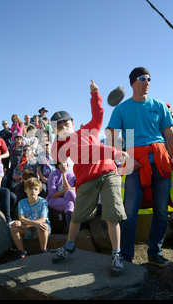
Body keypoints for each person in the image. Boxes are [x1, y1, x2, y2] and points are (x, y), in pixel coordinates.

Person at [51, 79, 128, 277]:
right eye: (58, 126)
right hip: (85, 180)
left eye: (65, 123)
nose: (63, 126)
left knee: (112, 216)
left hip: (108, 173)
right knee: (76, 217)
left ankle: (116, 255)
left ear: (73, 123)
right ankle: (69, 247)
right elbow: (56, 156)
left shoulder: (89, 128)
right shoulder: (60, 144)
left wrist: (95, 94)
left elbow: (99, 113)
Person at [107, 67, 173, 265]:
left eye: (149, 79)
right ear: (133, 82)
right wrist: (125, 159)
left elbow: (170, 134)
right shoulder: (121, 109)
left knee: (161, 211)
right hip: (133, 163)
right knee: (129, 211)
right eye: (142, 78)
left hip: (160, 161)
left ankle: (154, 253)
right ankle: (125, 256)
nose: (147, 82)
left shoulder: (159, 105)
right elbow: (112, 137)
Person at [10, 178, 51, 259]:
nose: (33, 191)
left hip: (39, 228)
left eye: (36, 189)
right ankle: (21, 252)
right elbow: (22, 218)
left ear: (39, 191)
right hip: (27, 229)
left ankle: (43, 250)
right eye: (30, 189)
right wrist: (28, 225)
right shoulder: (22, 202)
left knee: (43, 226)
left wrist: (26, 226)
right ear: (25, 190)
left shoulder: (43, 202)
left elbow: (42, 220)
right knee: (14, 226)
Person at [47, 161, 76, 227]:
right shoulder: (52, 175)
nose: (63, 164)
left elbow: (68, 189)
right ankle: (70, 227)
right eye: (60, 163)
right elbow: (53, 195)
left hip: (67, 197)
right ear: (57, 165)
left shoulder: (70, 174)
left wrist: (64, 175)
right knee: (70, 204)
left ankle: (78, 220)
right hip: (54, 199)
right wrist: (67, 189)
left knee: (70, 193)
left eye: (65, 162)